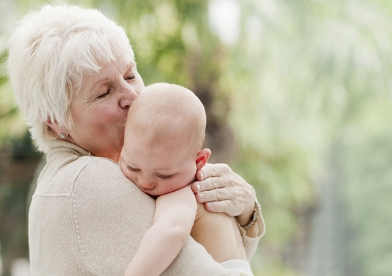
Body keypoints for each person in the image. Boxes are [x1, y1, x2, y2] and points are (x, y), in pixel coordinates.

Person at [6, 4, 264, 275]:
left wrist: (246, 211)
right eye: (104, 93)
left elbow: (209, 252)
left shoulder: (82, 176)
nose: (132, 95)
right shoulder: (90, 182)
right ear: (56, 121)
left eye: (130, 75)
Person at [121, 83, 252, 275]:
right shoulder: (178, 174)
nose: (145, 182)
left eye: (164, 175)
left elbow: (171, 232)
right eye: (132, 166)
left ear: (199, 162)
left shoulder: (188, 192)